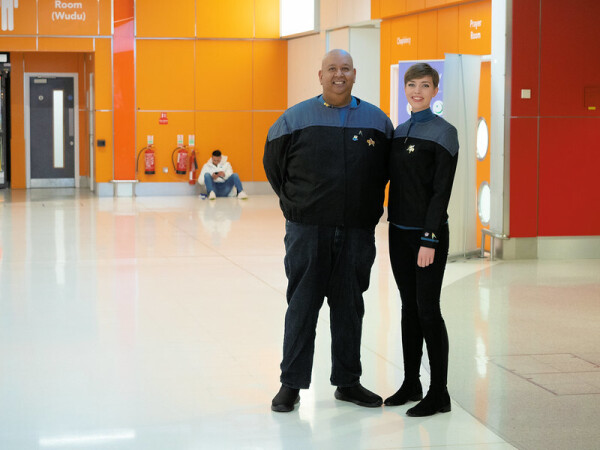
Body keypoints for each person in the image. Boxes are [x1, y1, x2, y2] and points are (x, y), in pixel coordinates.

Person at [263, 49, 394, 413]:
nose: (339, 75)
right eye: (332, 69)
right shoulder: (294, 119)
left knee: (349, 308)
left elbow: (386, 171)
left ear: (355, 75)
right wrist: (297, 207)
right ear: (320, 75)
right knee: (302, 306)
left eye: (346, 69)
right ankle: (291, 384)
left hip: (356, 233)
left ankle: (348, 382)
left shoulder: (377, 122)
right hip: (308, 232)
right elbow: (274, 168)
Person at [384, 63, 459, 417]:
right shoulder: (398, 132)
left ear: (435, 91)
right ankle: (411, 382)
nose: (417, 91)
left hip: (426, 239)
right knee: (408, 308)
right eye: (411, 85)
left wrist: (429, 239)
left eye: (425, 85)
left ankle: (439, 392)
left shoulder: (445, 133)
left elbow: (440, 192)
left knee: (428, 310)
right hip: (397, 233)